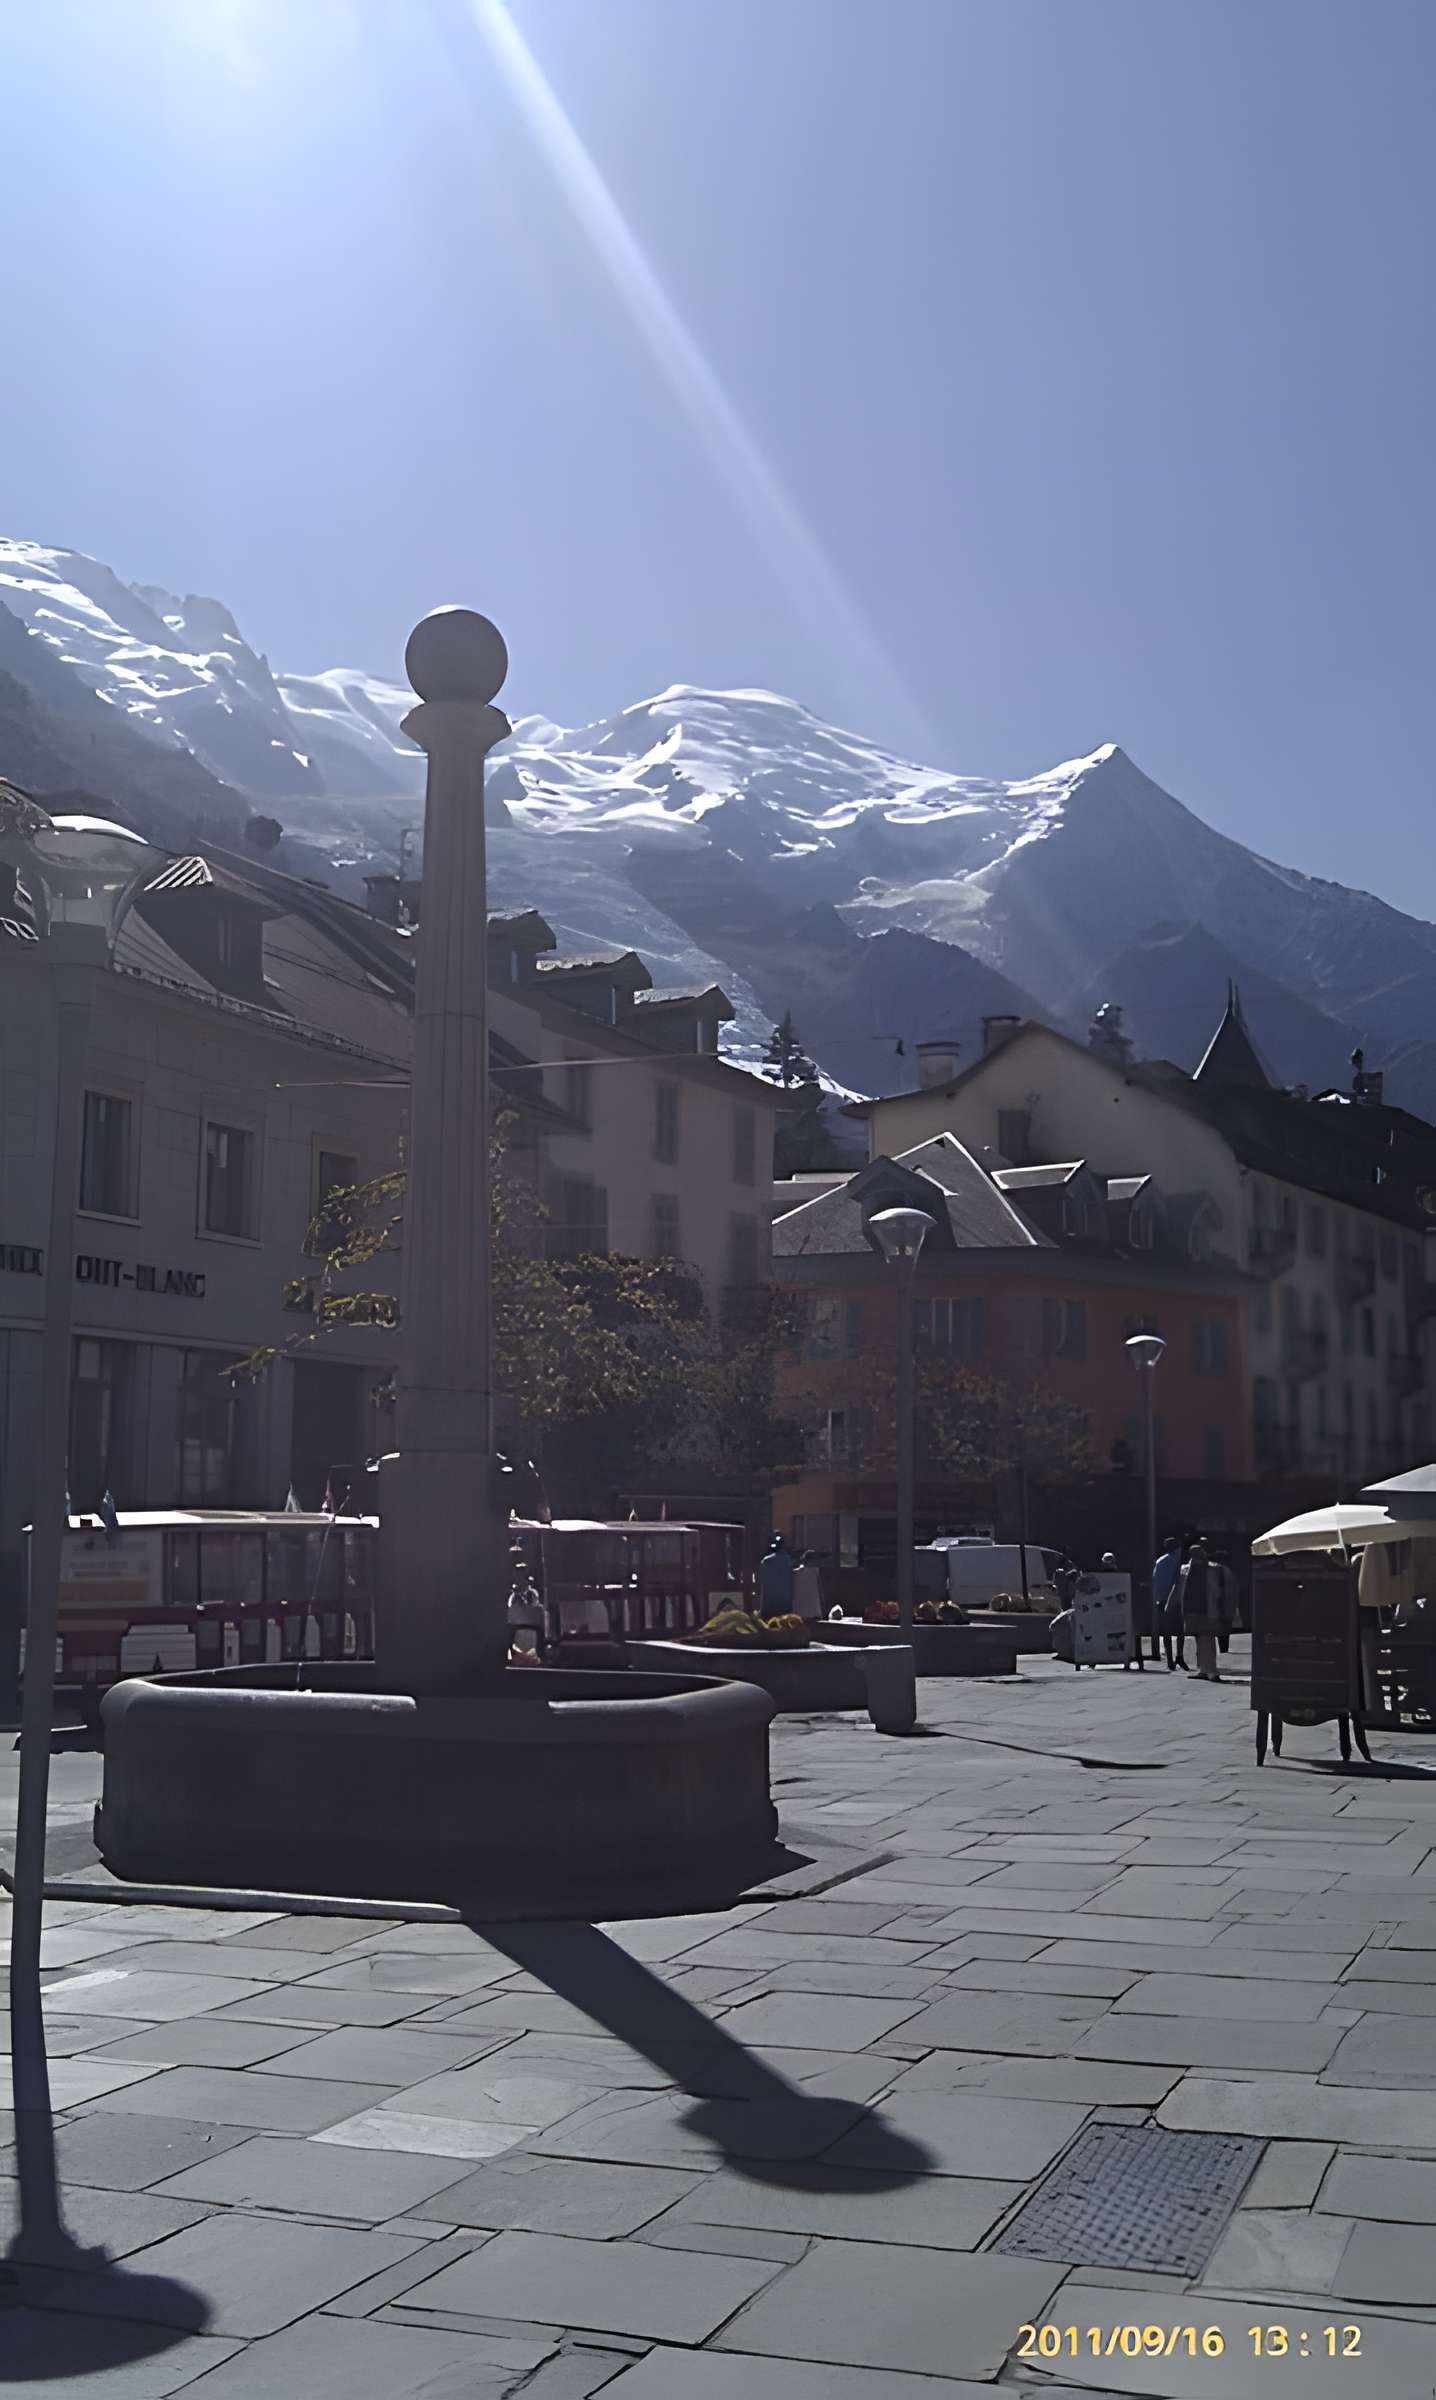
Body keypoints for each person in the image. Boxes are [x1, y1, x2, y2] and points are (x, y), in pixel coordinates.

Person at [1181, 1538, 1221, 1681]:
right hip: (1192, 1608)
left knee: (1207, 1639)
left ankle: (1212, 1670)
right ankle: (1203, 1669)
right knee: (1200, 1638)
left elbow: (1216, 1591)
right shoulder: (1185, 1569)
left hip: (1206, 1608)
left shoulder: (1211, 1569)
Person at [506, 1545, 547, 1662]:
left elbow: (536, 1611)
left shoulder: (533, 1594)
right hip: (517, 1633)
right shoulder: (513, 1596)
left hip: (532, 1633)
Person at [1151, 1535, 1183, 1668]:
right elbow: (1178, 1582)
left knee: (1166, 1631)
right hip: (1175, 1600)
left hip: (1161, 1600)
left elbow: (1155, 1582)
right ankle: (1179, 1656)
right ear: (1177, 1549)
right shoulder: (1176, 1562)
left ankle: (1170, 1660)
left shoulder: (1160, 1561)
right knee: (1180, 1631)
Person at [757, 1532, 796, 1619]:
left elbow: (759, 1579)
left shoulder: (766, 1561)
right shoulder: (788, 1561)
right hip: (785, 1605)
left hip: (768, 1606)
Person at [792, 1548, 824, 1626]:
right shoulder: (816, 1571)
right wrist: (823, 1604)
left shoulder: (795, 1572)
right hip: (814, 1611)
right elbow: (820, 1590)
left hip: (798, 1610)